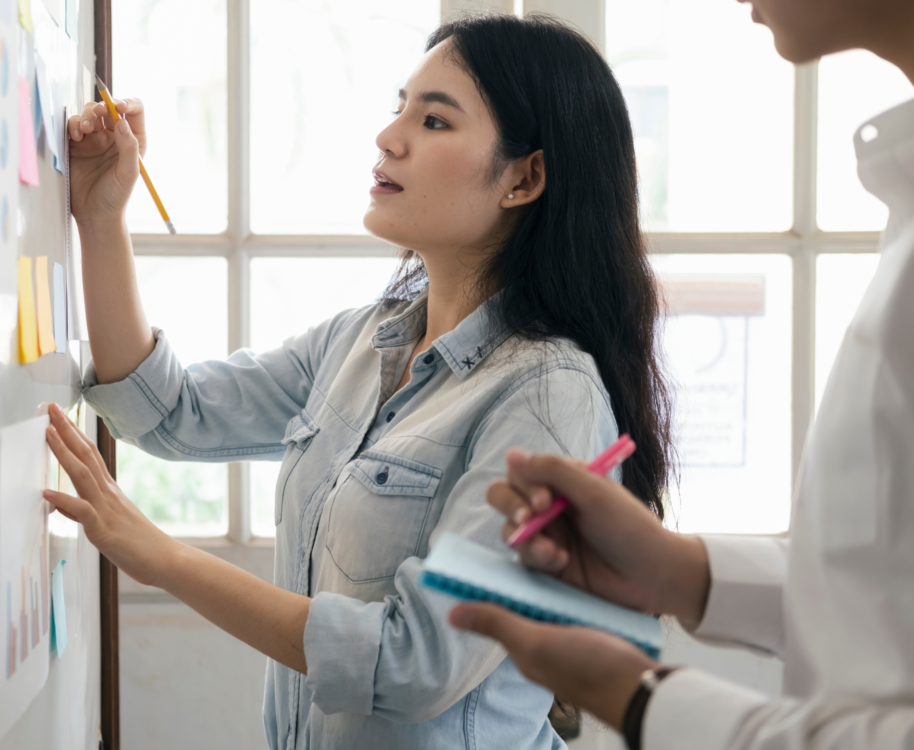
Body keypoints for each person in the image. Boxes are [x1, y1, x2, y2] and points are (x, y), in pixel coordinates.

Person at [44, 13, 675, 750]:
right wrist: (101, 215)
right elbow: (166, 411)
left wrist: (162, 558)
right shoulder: (359, 340)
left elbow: (416, 661)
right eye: (400, 105)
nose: (390, 136)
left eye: (435, 119)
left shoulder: (548, 397)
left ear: (524, 177)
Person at [448, 1, 914, 748]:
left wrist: (636, 698)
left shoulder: (549, 381)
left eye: (436, 118)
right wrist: (684, 573)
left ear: (529, 177)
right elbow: (895, 592)